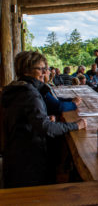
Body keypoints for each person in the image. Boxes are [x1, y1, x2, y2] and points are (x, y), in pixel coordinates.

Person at [1, 51, 87, 188]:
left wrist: (45, 118)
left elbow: (23, 119)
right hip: (28, 161)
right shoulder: (30, 93)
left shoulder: (17, 88)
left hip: (15, 154)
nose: (45, 72)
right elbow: (46, 128)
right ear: (27, 70)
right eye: (41, 69)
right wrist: (76, 125)